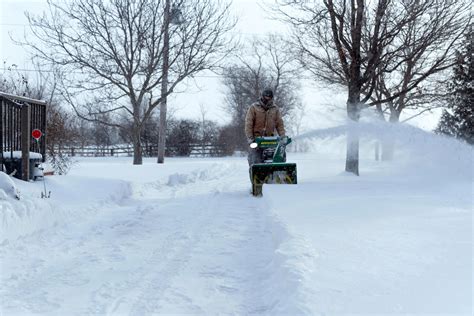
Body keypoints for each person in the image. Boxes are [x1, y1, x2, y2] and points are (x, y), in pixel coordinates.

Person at [244, 88, 286, 166]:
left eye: (269, 97)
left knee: (280, 153)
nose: (267, 99)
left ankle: (279, 171)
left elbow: (279, 124)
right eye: (266, 97)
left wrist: (283, 136)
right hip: (256, 140)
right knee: (255, 157)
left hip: (270, 139)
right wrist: (250, 139)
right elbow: (248, 124)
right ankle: (256, 173)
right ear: (262, 96)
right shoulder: (254, 107)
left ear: (272, 98)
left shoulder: (275, 109)